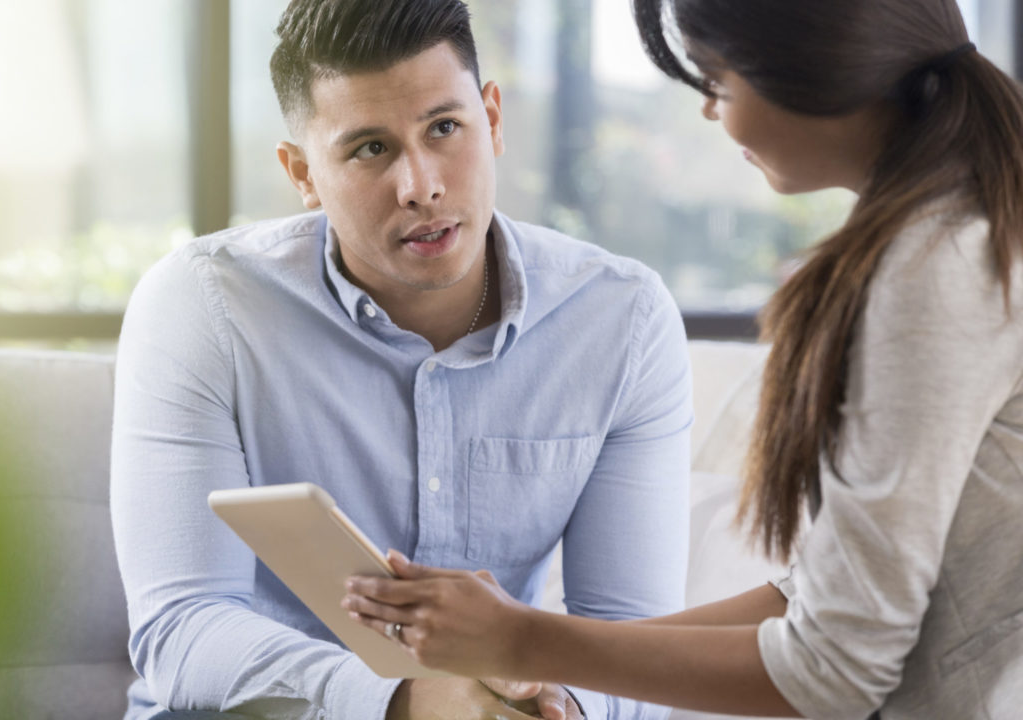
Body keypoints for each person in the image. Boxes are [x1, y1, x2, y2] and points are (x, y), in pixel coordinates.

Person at [343, 0, 1023, 718]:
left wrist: (521, 641)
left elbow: (831, 670)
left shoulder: (934, 269)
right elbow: (825, 594)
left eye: (718, 84)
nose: (709, 113)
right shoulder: (963, 231)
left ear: (805, 70)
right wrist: (543, 655)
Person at [110, 0, 695, 718]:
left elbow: (631, 640)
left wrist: (560, 705)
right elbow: (182, 629)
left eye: (444, 129)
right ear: (302, 173)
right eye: (369, 149)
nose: (420, 185)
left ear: (494, 119)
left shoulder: (621, 322)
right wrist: (403, 702)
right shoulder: (206, 305)